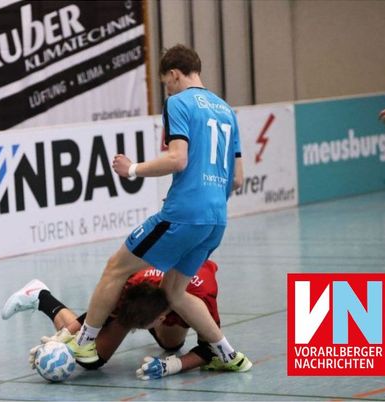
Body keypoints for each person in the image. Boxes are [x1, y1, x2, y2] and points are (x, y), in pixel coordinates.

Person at [66, 44, 250, 371]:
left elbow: (177, 158)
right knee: (175, 291)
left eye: (166, 81)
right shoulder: (226, 110)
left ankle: (83, 343)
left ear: (175, 74)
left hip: (183, 214)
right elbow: (237, 179)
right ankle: (228, 354)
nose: (167, 87)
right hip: (216, 220)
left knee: (116, 268)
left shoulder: (178, 102)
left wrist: (132, 169)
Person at [1, 260, 246, 379]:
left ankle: (166, 344)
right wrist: (60, 341)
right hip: (142, 295)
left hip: (185, 291)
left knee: (171, 346)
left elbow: (210, 349)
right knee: (90, 359)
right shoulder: (131, 284)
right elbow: (97, 317)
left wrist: (171, 366)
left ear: (162, 317)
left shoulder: (201, 299)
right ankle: (40, 296)